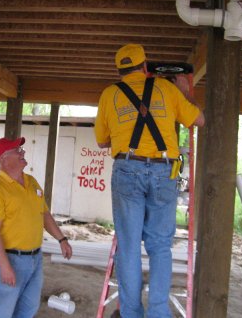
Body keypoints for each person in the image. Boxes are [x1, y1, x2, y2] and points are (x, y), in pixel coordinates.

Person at [94, 44, 205, 318]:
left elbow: (101, 140)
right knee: (159, 246)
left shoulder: (109, 94)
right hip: (163, 170)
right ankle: (158, 313)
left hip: (127, 169)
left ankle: (131, 314)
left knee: (129, 246)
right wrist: (184, 92)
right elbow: (199, 120)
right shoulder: (166, 89)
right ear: (145, 68)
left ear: (120, 72)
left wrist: (123, 131)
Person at [0, 136, 73, 318]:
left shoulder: (32, 181)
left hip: (35, 258)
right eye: (18, 150)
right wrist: (4, 266)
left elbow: (44, 215)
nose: (23, 152)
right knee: (2, 312)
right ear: (4, 159)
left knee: (28, 310)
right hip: (11, 259)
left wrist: (61, 239)